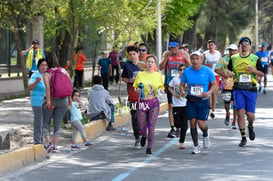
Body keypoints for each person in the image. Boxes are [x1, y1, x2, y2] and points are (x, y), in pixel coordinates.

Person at [227, 37, 264, 147]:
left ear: (249, 46)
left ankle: (250, 126)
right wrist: (230, 73)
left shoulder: (255, 58)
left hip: (251, 89)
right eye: (242, 44)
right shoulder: (233, 58)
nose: (244, 45)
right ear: (239, 46)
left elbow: (262, 73)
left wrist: (254, 71)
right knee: (240, 112)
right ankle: (243, 137)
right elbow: (228, 69)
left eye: (246, 44)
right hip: (238, 88)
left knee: (250, 115)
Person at [180, 51, 217, 154]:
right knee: (192, 123)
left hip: (203, 101)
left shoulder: (207, 71)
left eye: (197, 59)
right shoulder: (187, 71)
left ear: (201, 60)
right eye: (193, 59)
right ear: (190, 60)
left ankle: (205, 134)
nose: (195, 61)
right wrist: (182, 91)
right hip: (191, 100)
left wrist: (209, 92)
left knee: (201, 124)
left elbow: (214, 85)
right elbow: (181, 84)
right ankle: (196, 146)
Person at [159, 38, 191, 138]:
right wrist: (165, 58)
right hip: (170, 83)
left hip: (181, 83)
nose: (172, 50)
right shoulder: (166, 54)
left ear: (178, 46)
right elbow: (160, 67)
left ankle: (182, 125)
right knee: (171, 106)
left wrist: (182, 67)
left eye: (174, 48)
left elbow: (191, 66)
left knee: (182, 104)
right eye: (171, 48)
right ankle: (173, 127)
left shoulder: (184, 54)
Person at [133, 55, 164, 156]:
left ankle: (149, 148)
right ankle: (144, 136)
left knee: (151, 126)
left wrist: (162, 90)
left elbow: (161, 87)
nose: (150, 64)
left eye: (152, 62)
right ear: (145, 63)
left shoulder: (158, 75)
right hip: (142, 103)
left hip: (153, 103)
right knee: (142, 126)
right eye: (148, 62)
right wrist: (137, 90)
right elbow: (135, 87)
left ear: (155, 64)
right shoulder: (140, 74)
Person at [43, 52, 72, 153]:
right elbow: (69, 85)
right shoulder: (63, 70)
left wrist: (48, 101)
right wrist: (70, 99)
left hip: (52, 100)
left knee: (45, 122)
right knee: (57, 123)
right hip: (63, 101)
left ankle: (49, 143)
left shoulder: (47, 74)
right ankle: (55, 146)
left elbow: (47, 88)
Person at [121, 46, 142, 147]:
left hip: (144, 95)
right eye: (130, 55)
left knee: (143, 115)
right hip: (133, 95)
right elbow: (123, 78)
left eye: (134, 54)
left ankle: (143, 133)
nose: (132, 56)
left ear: (138, 54)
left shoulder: (144, 65)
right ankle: (137, 136)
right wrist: (130, 80)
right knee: (134, 116)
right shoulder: (127, 65)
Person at [215, 44, 238, 129]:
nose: (231, 52)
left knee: (236, 104)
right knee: (227, 104)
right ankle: (228, 113)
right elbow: (216, 69)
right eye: (230, 50)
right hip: (226, 85)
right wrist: (224, 75)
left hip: (237, 85)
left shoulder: (239, 59)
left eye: (233, 50)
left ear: (237, 51)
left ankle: (234, 121)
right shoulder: (224, 59)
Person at [168, 64, 188, 149]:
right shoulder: (175, 80)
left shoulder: (188, 80)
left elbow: (192, 89)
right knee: (177, 122)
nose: (182, 71)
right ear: (178, 71)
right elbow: (169, 87)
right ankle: (177, 128)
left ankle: (182, 142)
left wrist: (186, 92)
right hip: (176, 104)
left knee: (185, 124)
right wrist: (174, 94)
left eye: (184, 69)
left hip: (186, 104)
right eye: (180, 69)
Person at [28, 58, 48, 145]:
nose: (44, 67)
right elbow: (30, 87)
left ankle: (41, 142)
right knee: (38, 123)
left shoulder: (46, 75)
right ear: (38, 66)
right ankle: (37, 143)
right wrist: (36, 82)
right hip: (37, 102)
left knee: (43, 123)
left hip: (45, 102)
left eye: (45, 65)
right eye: (42, 65)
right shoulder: (35, 75)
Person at [202, 40, 222, 119]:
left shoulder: (218, 54)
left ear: (215, 46)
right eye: (209, 45)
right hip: (207, 75)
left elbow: (221, 64)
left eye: (212, 45)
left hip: (216, 75)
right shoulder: (205, 54)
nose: (211, 46)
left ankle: (213, 110)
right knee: (208, 93)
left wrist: (221, 74)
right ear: (207, 46)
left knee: (214, 93)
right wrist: (206, 65)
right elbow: (200, 63)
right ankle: (209, 108)